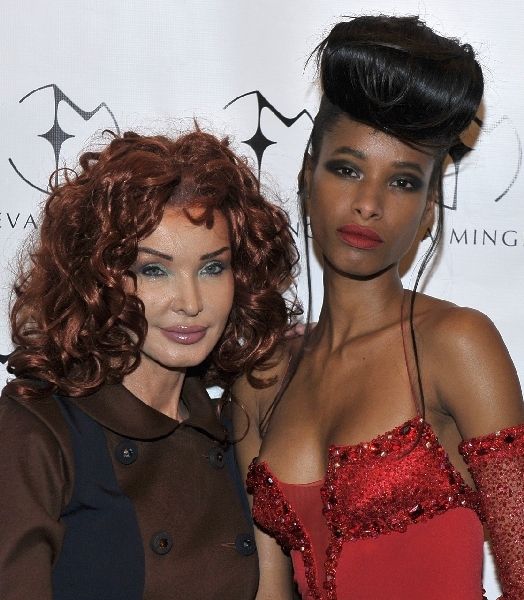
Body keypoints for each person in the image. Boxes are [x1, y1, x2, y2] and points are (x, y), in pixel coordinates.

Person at [233, 15, 524, 600]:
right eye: (347, 169)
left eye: (403, 182)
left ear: (429, 208)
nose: (368, 203)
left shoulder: (457, 343)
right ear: (309, 175)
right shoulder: (262, 377)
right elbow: (268, 589)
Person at [0, 129, 300, 599]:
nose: (191, 302)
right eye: (154, 270)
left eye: (212, 267)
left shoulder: (235, 430)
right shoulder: (40, 430)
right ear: (103, 277)